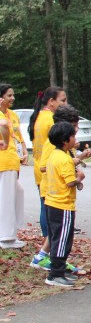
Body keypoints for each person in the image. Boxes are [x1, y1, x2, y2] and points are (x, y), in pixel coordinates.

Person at [30, 105, 90, 274]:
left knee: (58, 232)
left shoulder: (65, 146)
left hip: (59, 192)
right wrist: (72, 167)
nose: (76, 129)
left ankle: (49, 259)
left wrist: (78, 158)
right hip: (53, 192)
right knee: (58, 231)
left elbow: (66, 162)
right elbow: (44, 166)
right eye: (74, 126)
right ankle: (53, 263)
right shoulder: (53, 145)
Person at [42, 121, 85, 288]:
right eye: (72, 136)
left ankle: (59, 270)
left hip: (51, 203)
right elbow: (70, 182)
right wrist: (79, 178)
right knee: (63, 240)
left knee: (56, 238)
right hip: (63, 205)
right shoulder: (65, 160)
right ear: (64, 140)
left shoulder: (54, 155)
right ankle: (56, 274)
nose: (75, 139)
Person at [28, 87, 66, 263]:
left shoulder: (39, 116)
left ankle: (49, 247)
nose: (65, 103)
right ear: (51, 101)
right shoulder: (50, 119)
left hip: (40, 167)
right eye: (62, 100)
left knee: (45, 207)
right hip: (48, 169)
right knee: (49, 210)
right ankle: (48, 247)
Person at [0, 84, 28, 249]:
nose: (13, 98)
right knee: (6, 198)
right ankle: (6, 236)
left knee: (17, 193)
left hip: (13, 159)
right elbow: (3, 126)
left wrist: (24, 151)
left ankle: (12, 232)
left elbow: (18, 135)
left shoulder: (13, 114)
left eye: (13, 95)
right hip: (4, 161)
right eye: (9, 95)